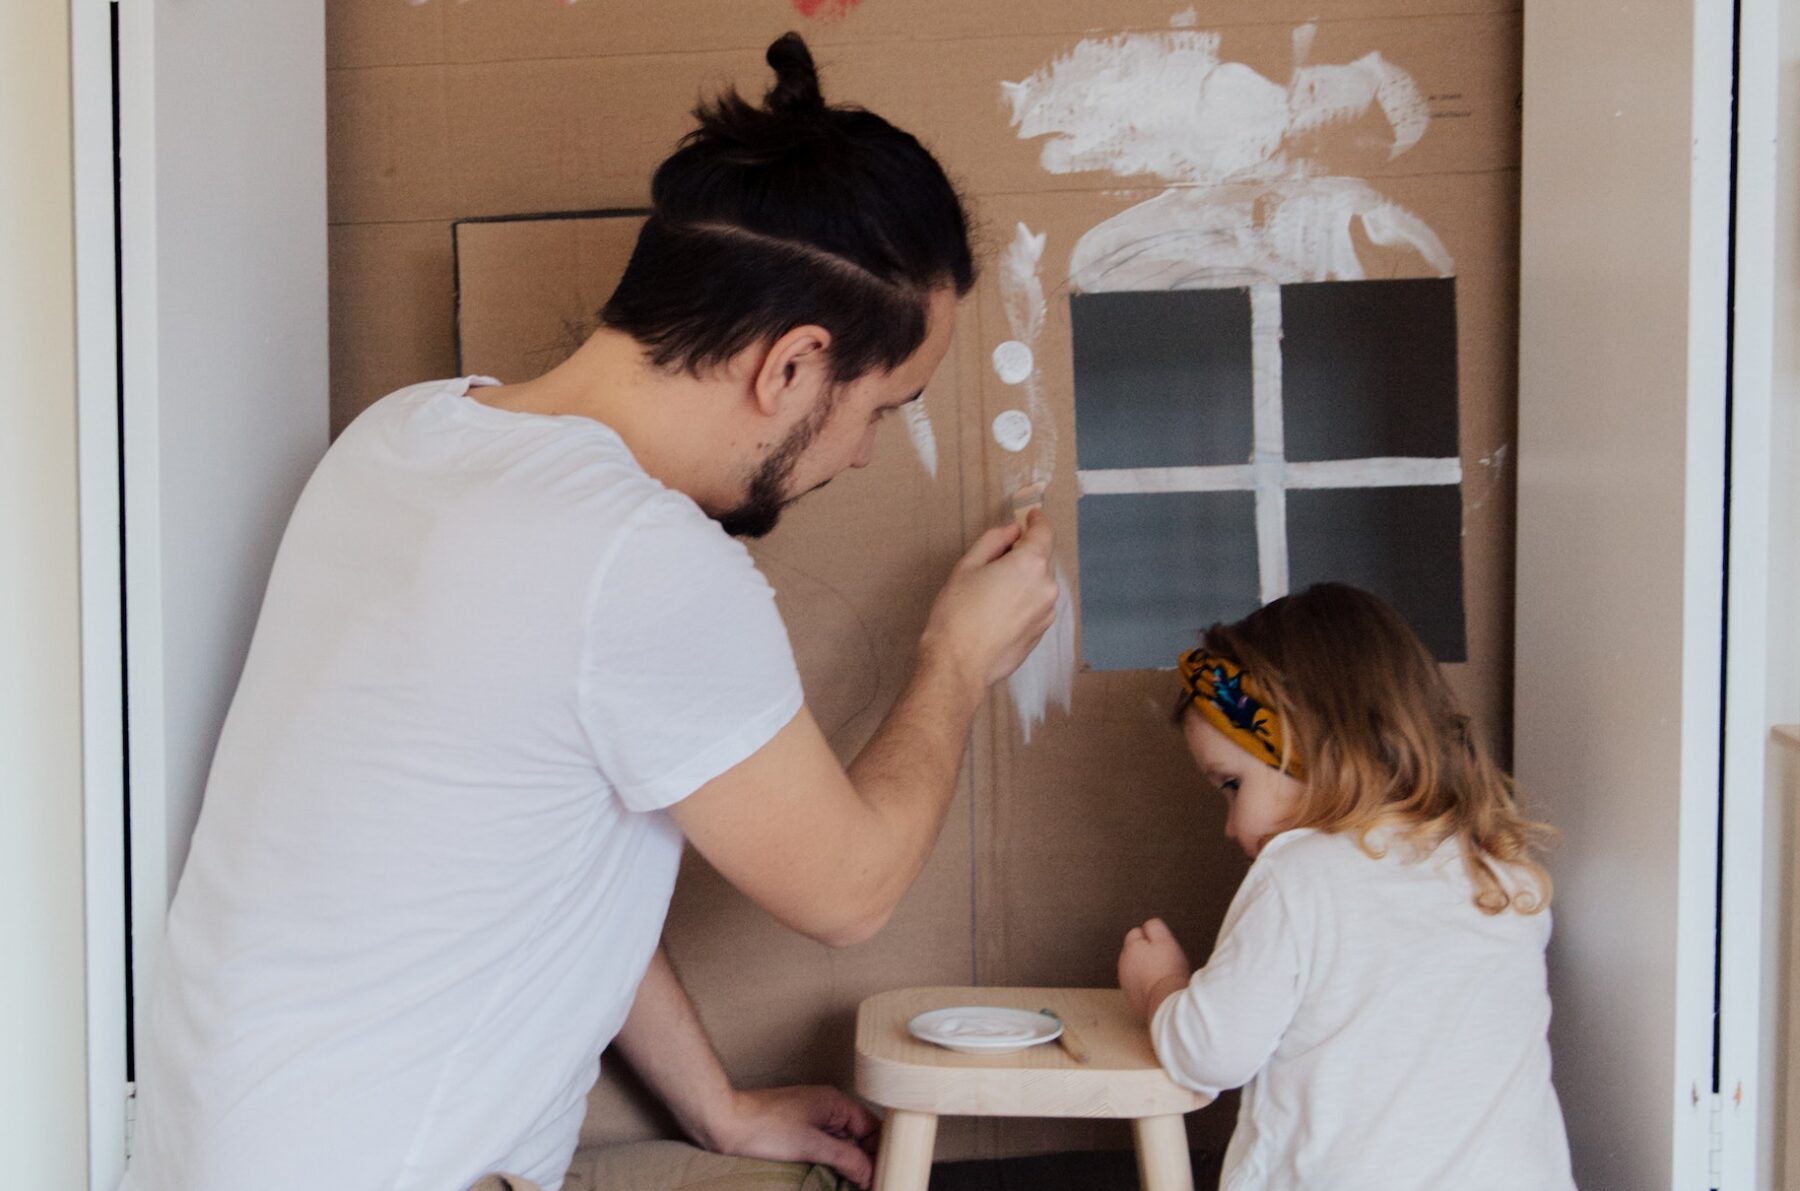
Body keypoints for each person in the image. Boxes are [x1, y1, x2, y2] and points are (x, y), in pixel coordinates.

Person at [123, 33, 1058, 1191]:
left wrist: (715, 1107)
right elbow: (850, 892)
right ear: (795, 367)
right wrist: (959, 658)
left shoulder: (409, 436)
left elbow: (542, 868)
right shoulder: (638, 560)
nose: (865, 456)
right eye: (884, 408)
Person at [1116, 583, 1574, 1190]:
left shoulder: (1297, 874)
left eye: (1231, 785)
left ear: (1312, 751)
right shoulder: (1503, 872)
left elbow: (1211, 1054)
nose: (1230, 827)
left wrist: (1161, 988)